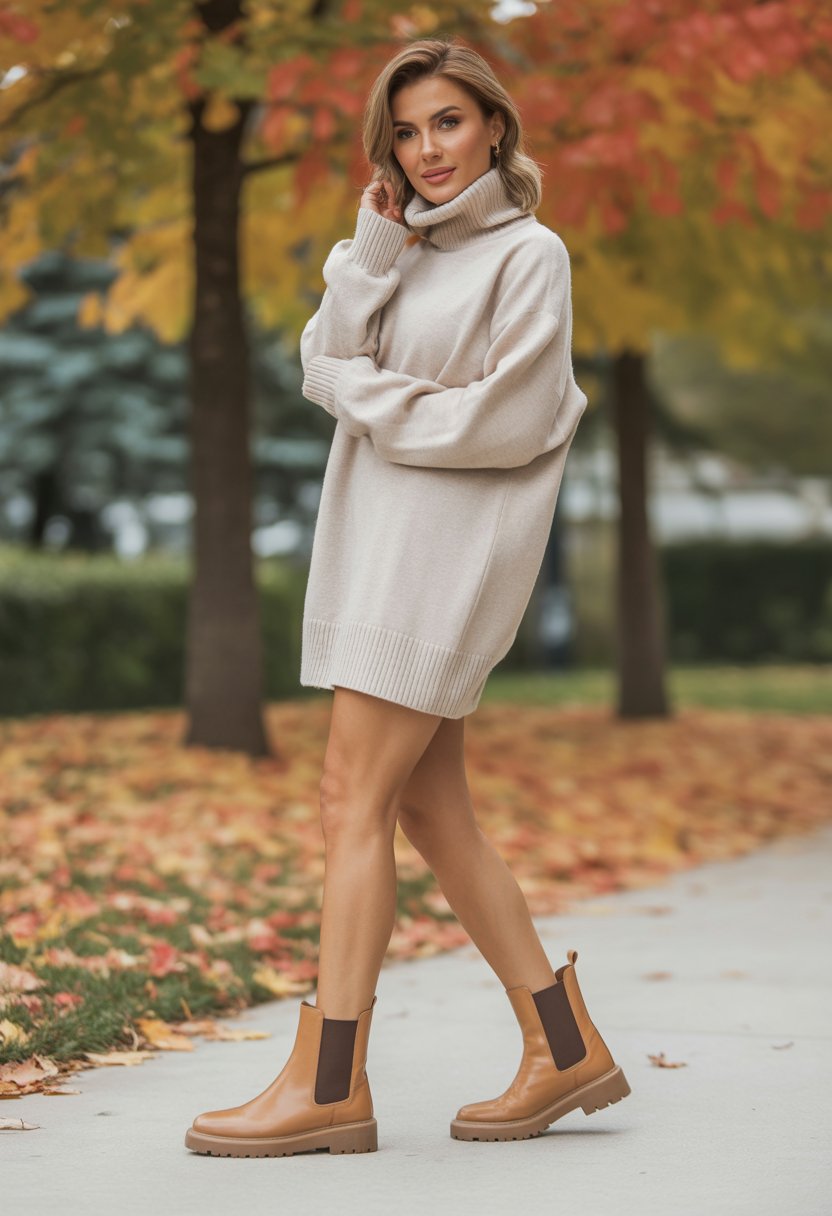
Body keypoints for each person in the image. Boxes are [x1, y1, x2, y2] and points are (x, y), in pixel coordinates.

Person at [185, 36, 630, 1159]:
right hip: (377, 546)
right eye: (407, 128)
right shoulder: (398, 247)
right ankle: (563, 1045)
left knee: (349, 799)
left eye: (448, 122)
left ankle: (329, 1080)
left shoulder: (532, 254)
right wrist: (373, 247)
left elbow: (507, 421)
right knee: (431, 813)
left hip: (446, 559)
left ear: (492, 126)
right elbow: (322, 353)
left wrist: (363, 393)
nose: (428, 148)